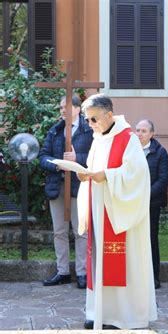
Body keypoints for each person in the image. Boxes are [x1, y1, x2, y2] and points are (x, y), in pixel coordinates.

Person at [76, 94, 157, 330]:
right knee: (98, 260)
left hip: (120, 213)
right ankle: (97, 311)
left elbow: (138, 175)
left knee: (122, 263)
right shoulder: (98, 138)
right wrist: (85, 175)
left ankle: (124, 316)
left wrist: (107, 176)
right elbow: (93, 169)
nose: (90, 124)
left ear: (109, 115)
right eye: (87, 120)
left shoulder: (128, 138)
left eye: (94, 119)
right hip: (99, 211)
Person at [39, 95, 93, 289]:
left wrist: (77, 157)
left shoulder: (89, 130)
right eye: (61, 107)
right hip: (58, 186)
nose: (62, 110)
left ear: (78, 109)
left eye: (67, 107)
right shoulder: (55, 130)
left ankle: (82, 273)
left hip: (79, 186)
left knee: (81, 231)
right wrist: (57, 165)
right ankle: (62, 272)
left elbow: (98, 156)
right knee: (59, 232)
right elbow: (43, 156)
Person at [135, 119, 168, 289]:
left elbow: (163, 180)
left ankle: (153, 277)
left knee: (150, 240)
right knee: (134, 241)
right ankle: (135, 276)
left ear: (151, 134)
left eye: (143, 131)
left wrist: (145, 195)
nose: (139, 134)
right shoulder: (131, 151)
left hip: (151, 203)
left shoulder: (160, 152)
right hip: (133, 203)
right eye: (137, 130)